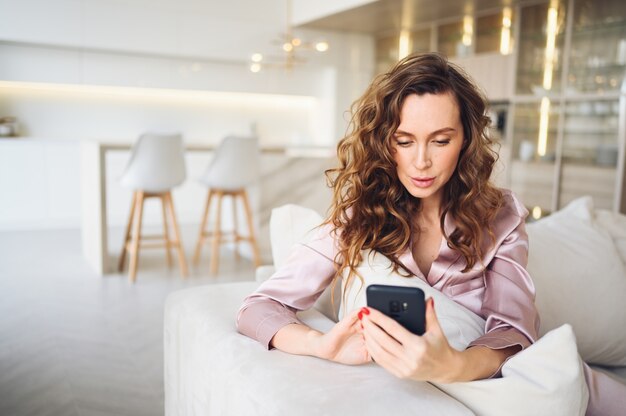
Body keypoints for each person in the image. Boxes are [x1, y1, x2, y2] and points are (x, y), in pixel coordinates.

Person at [236, 53, 625, 415]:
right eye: (404, 141)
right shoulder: (358, 219)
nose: (421, 161)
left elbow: (514, 330)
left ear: (466, 142)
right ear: (384, 143)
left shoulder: (499, 216)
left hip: (511, 379)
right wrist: (321, 346)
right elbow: (257, 308)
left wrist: (453, 364)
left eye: (441, 141)